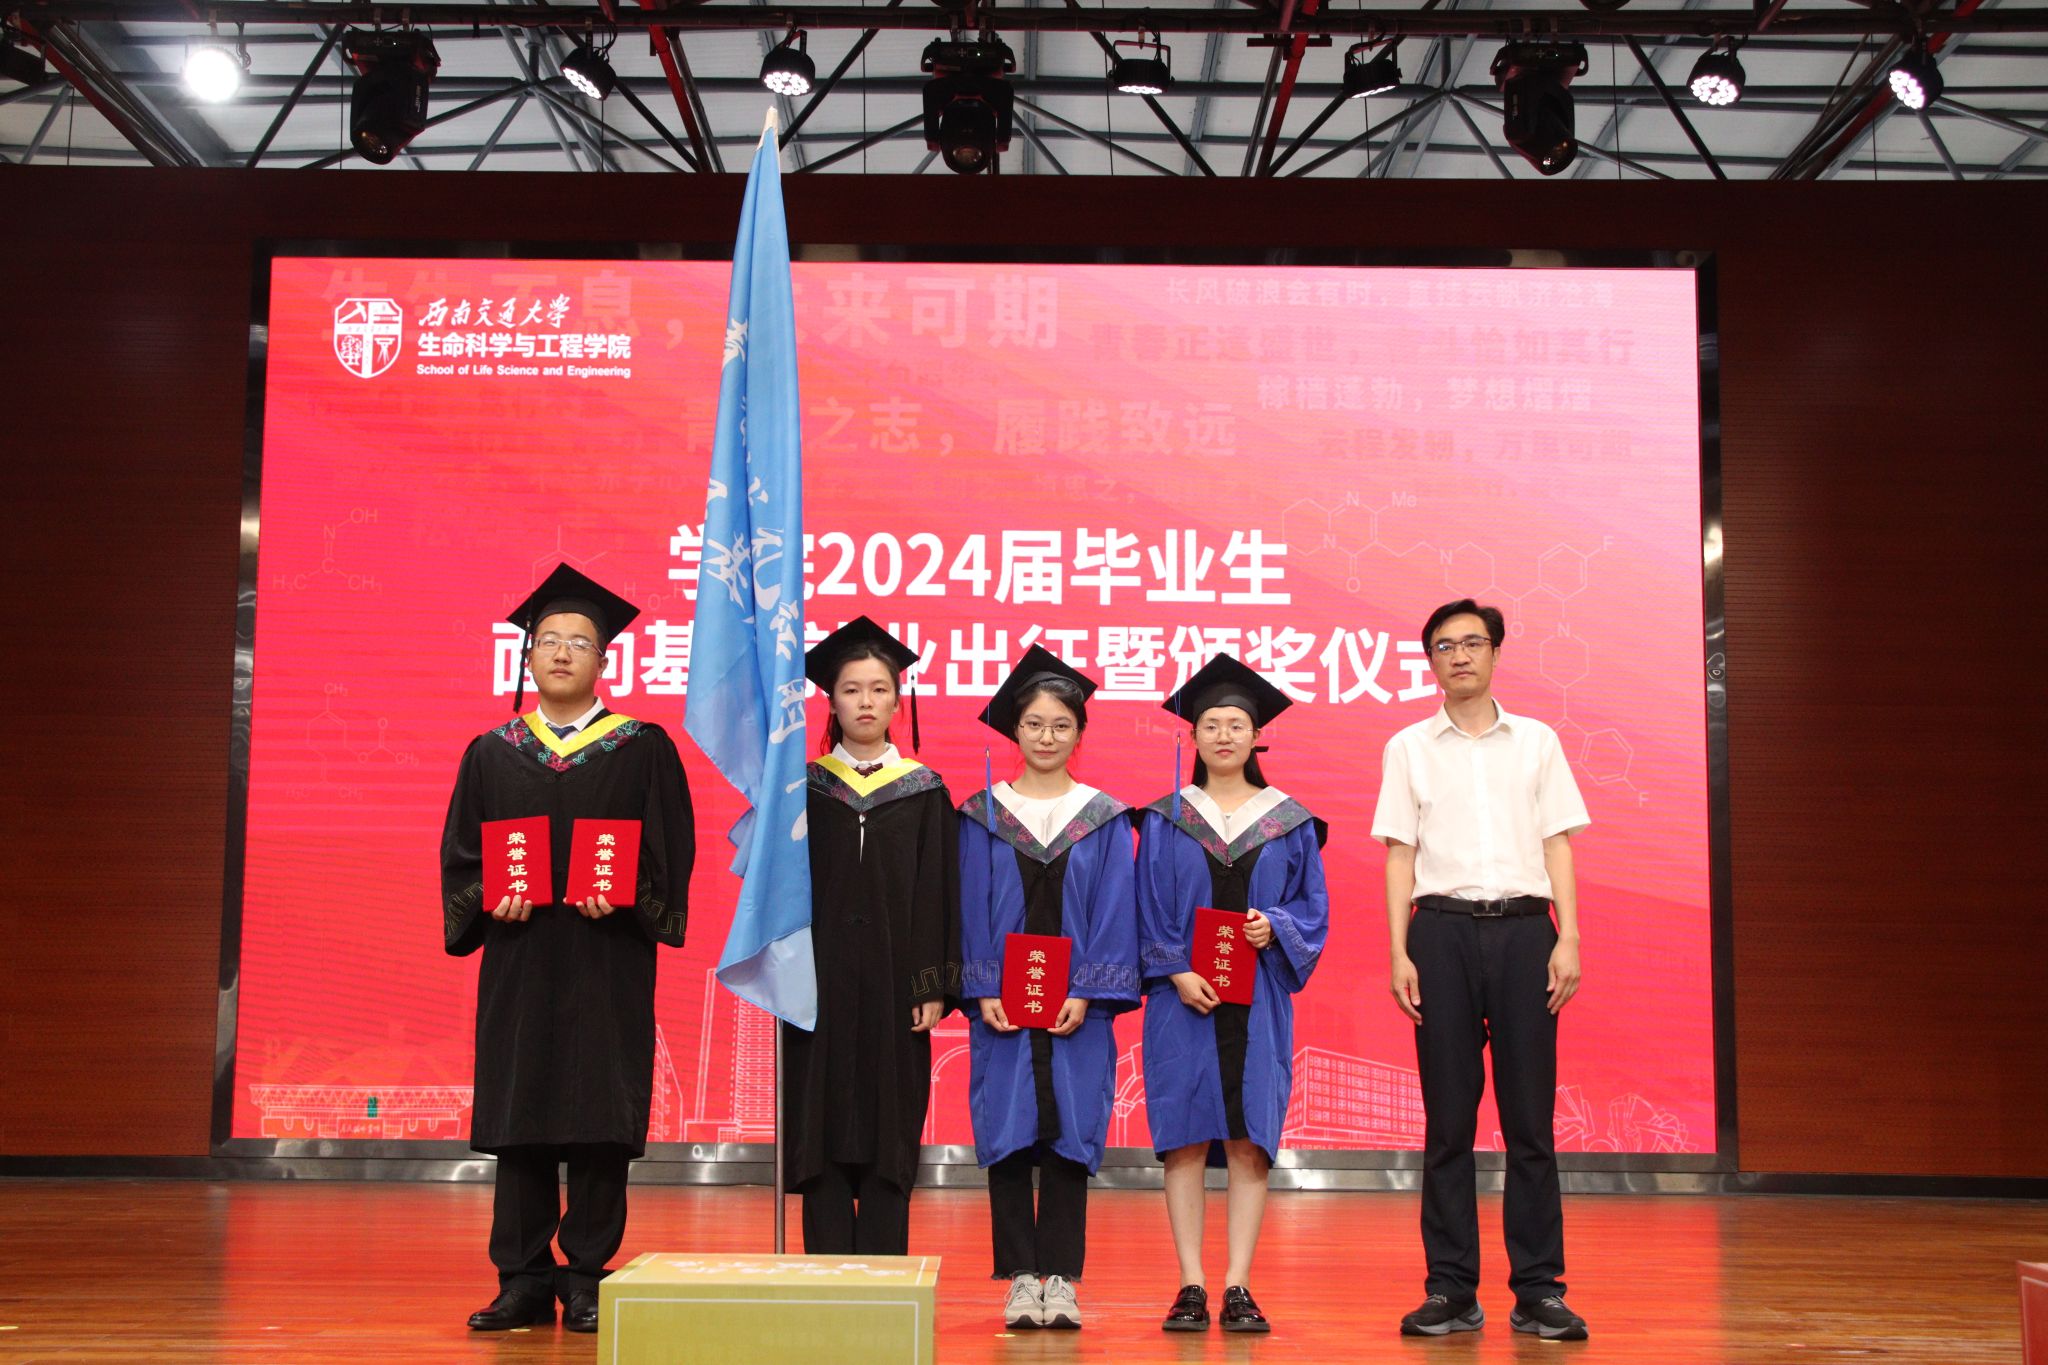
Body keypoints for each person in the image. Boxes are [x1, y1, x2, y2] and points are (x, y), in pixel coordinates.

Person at [439, 563, 694, 1334]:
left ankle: (586, 1274)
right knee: (521, 1115)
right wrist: (489, 897)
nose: (560, 652)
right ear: (527, 655)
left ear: (603, 658)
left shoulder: (641, 747)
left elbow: (670, 853)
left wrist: (633, 896)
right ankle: (521, 1277)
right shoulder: (492, 751)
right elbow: (462, 856)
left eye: (578, 642)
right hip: (520, 960)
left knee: (597, 1116)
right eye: (547, 639)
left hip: (607, 959)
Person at [1372, 598, 1591, 1343]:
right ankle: (1450, 1288)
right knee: (1448, 1123)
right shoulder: (1408, 746)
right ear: (1430, 660)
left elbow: (1558, 842)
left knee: (1530, 1122)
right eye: (1445, 645)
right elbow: (1399, 852)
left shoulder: (1537, 741)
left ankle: (1539, 1290)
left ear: (1496, 651)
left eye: (1472, 642)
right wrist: (1399, 949)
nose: (1459, 655)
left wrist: (1569, 936)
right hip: (1440, 934)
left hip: (1528, 933)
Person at [1135, 654, 1329, 1334]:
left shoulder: (1290, 821)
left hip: (1261, 998)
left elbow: (1311, 909)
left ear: (1256, 736)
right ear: (1193, 734)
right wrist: (1174, 969)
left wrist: (1274, 926)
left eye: (1236, 724)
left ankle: (1238, 1283)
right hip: (1180, 1001)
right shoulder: (1166, 818)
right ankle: (1190, 1282)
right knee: (1185, 1140)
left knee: (1250, 1141)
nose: (1224, 735)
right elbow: (1145, 906)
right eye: (1212, 724)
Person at [956, 648, 1139, 1330]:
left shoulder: (1104, 817)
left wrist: (1088, 989)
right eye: (1034, 723)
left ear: (1079, 732)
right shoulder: (981, 814)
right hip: (1002, 1004)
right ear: (1015, 728)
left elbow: (1115, 908)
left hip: (1076, 1009)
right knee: (1007, 1132)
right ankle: (1016, 1278)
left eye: (1061, 725)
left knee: (1069, 1131)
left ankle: (1060, 1277)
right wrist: (981, 985)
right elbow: (969, 905)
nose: (1046, 736)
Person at [783, 616, 960, 1255]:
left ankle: (885, 1278)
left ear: (897, 701)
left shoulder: (924, 791)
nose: (865, 701)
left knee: (890, 1119)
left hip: (895, 986)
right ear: (831, 700)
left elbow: (940, 893)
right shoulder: (800, 790)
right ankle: (825, 1274)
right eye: (851, 689)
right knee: (820, 1117)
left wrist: (931, 984)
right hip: (816, 983)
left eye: (879, 689)